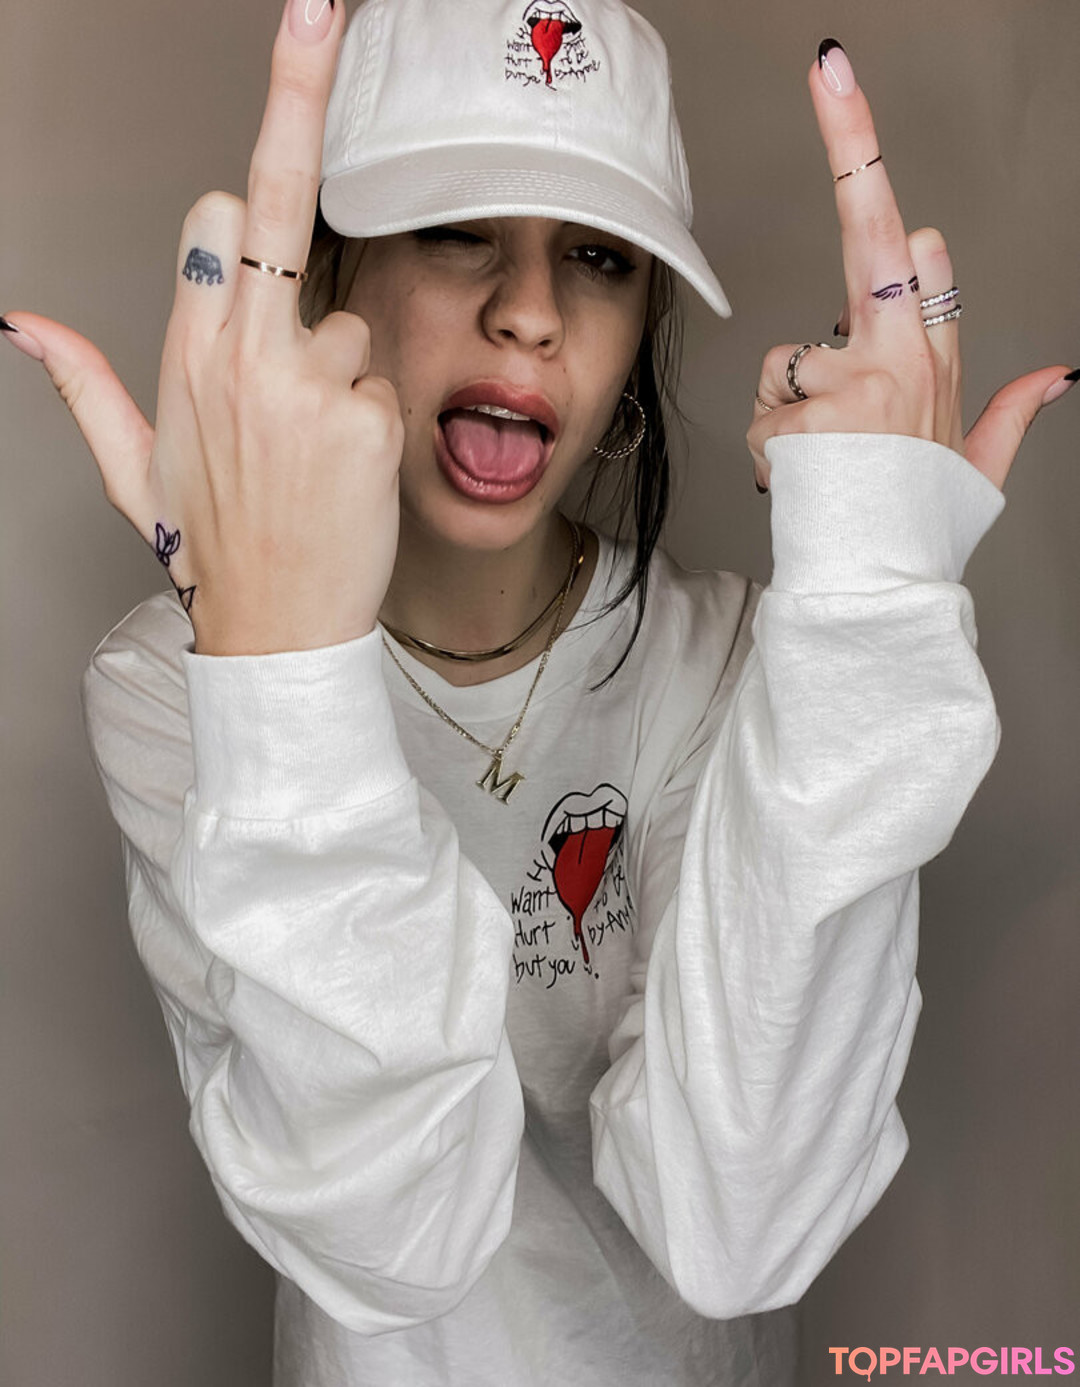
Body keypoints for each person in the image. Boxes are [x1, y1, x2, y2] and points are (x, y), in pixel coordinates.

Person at [1, 0, 1073, 1382]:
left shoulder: (732, 666)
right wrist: (279, 677)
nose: (530, 311)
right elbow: (394, 1240)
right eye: (458, 230)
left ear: (640, 332)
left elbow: (740, 1229)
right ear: (334, 278)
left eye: (598, 256)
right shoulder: (177, 687)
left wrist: (872, 613)